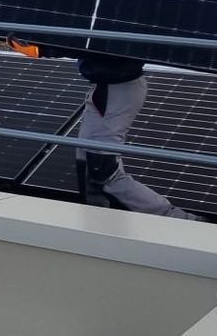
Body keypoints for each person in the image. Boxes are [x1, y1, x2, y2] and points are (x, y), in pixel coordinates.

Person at [74, 51, 196, 220]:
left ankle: (176, 218)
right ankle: (97, 216)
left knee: (103, 170)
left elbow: (92, 44)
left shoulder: (111, 38)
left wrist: (49, 47)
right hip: (109, 87)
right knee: (86, 159)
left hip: (116, 88)